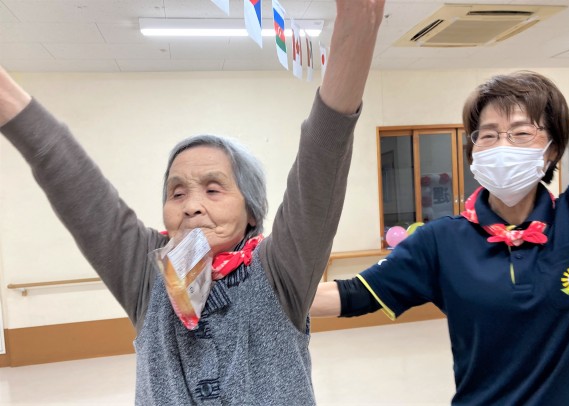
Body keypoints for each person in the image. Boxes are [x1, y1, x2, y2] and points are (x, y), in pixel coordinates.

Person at [0, 1, 386, 404]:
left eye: (213, 189)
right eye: (177, 192)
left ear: (251, 211)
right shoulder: (146, 274)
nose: (191, 206)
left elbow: (322, 158)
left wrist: (357, 25)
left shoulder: (280, 271)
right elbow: (67, 175)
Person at [312, 71, 569, 405]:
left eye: (521, 132)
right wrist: (268, 291)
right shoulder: (441, 241)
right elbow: (353, 294)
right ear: (473, 150)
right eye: (488, 135)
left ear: (553, 149)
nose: (502, 146)